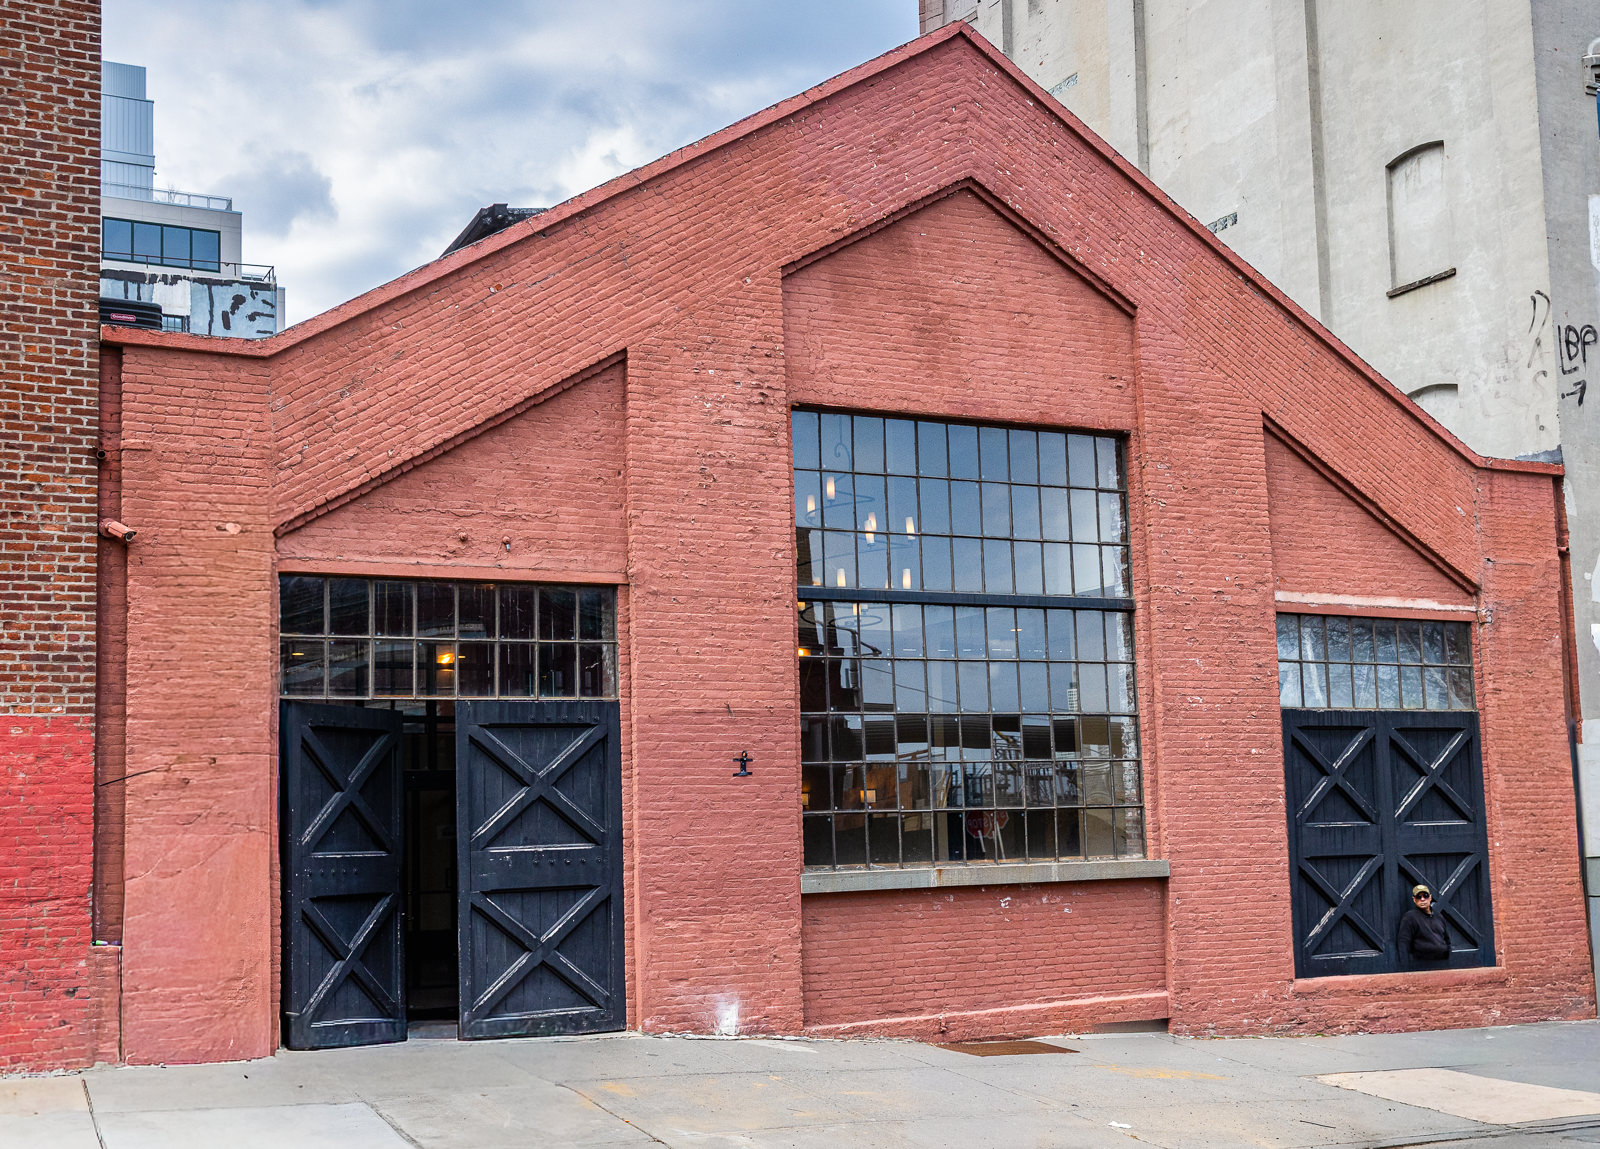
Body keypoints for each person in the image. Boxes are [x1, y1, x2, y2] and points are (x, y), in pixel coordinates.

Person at [1397, 884, 1450, 962]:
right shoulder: (1410, 917)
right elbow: (1403, 942)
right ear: (1414, 899)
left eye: (1425, 896)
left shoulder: (1439, 916)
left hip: (1442, 962)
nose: (1422, 899)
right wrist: (1405, 967)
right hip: (1421, 964)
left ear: (1430, 897)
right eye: (1419, 896)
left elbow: (1447, 939)